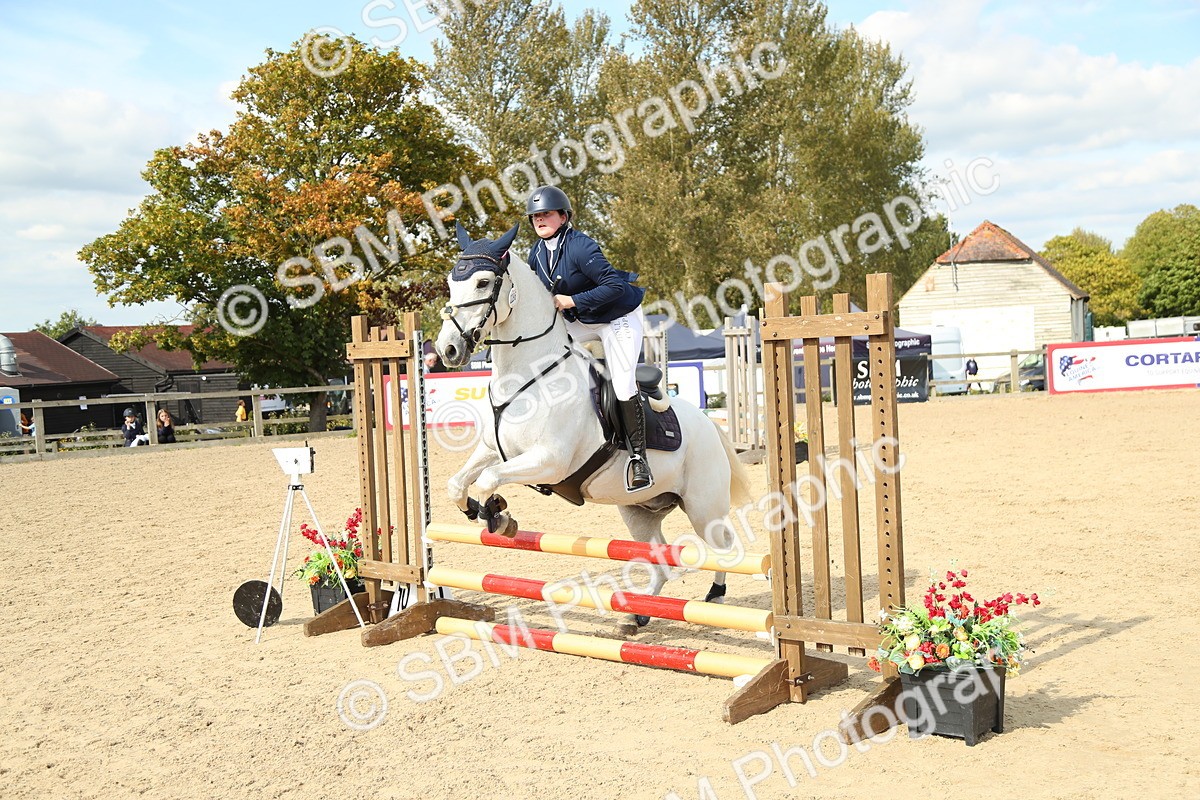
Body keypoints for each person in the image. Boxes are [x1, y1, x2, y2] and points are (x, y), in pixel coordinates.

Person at [525, 184, 652, 492]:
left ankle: (638, 459)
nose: (540, 220)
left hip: (617, 317)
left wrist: (572, 301)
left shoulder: (580, 245)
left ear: (563, 216)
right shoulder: (536, 254)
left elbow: (615, 287)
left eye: (546, 214)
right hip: (581, 321)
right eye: (535, 216)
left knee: (621, 383)